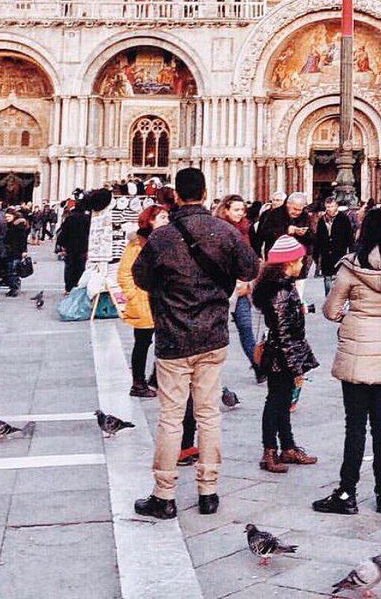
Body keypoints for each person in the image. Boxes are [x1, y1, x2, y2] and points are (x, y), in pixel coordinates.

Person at [132, 167, 259, 521]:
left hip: (173, 339)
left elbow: (141, 278)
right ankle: (208, 491)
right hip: (212, 337)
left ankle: (164, 494)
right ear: (204, 193)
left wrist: (169, 291)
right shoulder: (226, 231)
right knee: (209, 414)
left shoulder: (162, 237)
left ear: (177, 195)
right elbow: (250, 269)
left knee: (172, 419)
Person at [313, 208, 381, 516]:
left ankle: (347, 493)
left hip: (357, 352)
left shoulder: (351, 266)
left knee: (355, 426)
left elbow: (331, 311)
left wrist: (354, 309)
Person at [252, 236, 319, 473]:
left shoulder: (283, 285)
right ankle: (269, 451)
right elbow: (284, 333)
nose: (302, 265)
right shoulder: (281, 291)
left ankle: (288, 447)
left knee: (282, 401)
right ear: (288, 263)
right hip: (282, 356)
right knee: (276, 402)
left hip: (281, 354)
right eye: (300, 260)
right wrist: (295, 367)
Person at [118, 205, 169, 397]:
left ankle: (156, 377)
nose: (167, 221)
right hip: (144, 300)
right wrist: (134, 295)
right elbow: (124, 273)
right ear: (150, 220)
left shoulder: (167, 240)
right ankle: (138, 384)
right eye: (162, 217)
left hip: (163, 300)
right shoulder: (137, 244)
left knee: (166, 340)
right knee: (142, 343)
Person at [216, 195, 259, 373]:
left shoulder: (245, 229)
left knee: (246, 327)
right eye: (236, 210)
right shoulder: (217, 229)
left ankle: (258, 366)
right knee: (215, 332)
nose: (240, 214)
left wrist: (247, 281)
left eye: (242, 210)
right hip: (222, 289)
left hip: (241, 288)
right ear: (226, 210)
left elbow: (249, 259)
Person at [312, 193, 355, 295]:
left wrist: (352, 252)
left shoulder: (343, 218)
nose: (329, 209)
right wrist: (316, 254)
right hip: (326, 252)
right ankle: (328, 297)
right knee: (327, 277)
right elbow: (318, 237)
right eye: (327, 207)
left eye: (331, 206)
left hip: (339, 251)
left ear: (336, 206)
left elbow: (349, 236)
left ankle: (337, 297)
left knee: (338, 276)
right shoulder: (322, 220)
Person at [55, 197, 91, 295]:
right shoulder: (87, 218)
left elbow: (64, 231)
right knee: (81, 267)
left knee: (70, 267)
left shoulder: (70, 218)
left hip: (70, 246)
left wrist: (61, 244)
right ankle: (79, 285)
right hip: (83, 246)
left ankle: (69, 287)